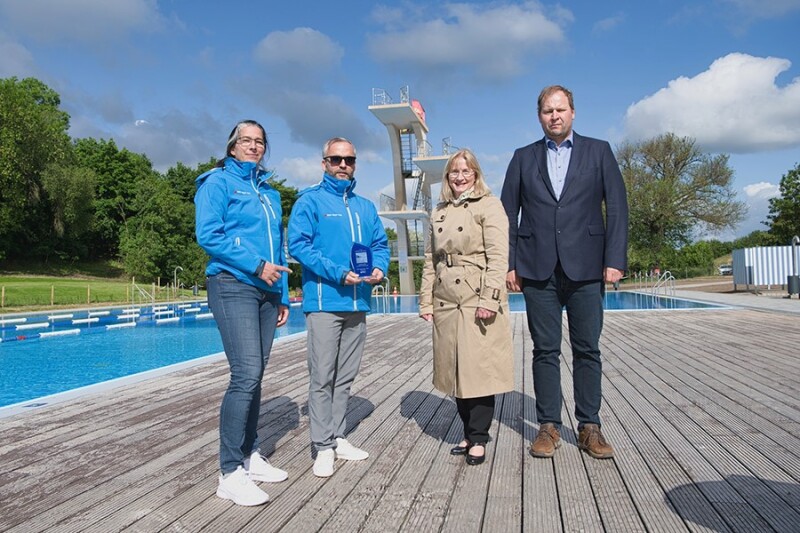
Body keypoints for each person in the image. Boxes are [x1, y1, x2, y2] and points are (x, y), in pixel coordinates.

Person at [500, 86, 628, 460]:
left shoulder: (599, 151)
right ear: (539, 116)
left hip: (587, 266)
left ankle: (590, 426)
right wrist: (510, 263)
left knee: (588, 349)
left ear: (573, 112)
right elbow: (508, 214)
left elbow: (617, 208)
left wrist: (614, 259)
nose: (554, 116)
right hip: (537, 268)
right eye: (547, 111)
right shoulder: (523, 158)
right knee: (545, 350)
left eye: (560, 109)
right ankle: (549, 426)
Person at [195, 119, 291, 506]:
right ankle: (230, 471)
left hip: (268, 291)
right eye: (246, 141)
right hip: (233, 284)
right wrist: (255, 265)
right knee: (246, 375)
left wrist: (282, 294)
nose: (253, 146)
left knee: (256, 374)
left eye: (260, 142)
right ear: (232, 147)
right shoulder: (216, 183)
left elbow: (278, 246)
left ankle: (251, 455)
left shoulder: (269, 192)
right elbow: (209, 234)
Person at [287, 137, 389, 478]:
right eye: (335, 159)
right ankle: (322, 446)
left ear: (355, 164)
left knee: (344, 376)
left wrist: (379, 268)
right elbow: (298, 246)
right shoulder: (310, 202)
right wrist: (338, 273)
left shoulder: (365, 207)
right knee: (322, 377)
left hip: (358, 302)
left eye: (348, 160)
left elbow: (380, 244)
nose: (342, 165)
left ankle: (338, 435)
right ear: (324, 163)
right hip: (325, 302)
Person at [419, 149, 514, 466]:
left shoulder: (489, 205)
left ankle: (478, 438)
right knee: (454, 370)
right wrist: (426, 300)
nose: (460, 177)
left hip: (476, 296)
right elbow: (430, 261)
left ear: (476, 174)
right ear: (447, 177)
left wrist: (489, 298)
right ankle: (468, 431)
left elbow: (499, 258)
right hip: (446, 298)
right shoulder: (439, 210)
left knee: (477, 370)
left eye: (466, 171)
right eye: (454, 172)